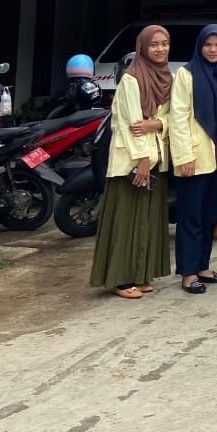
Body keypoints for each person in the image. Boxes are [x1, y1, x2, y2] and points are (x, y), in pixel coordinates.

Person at [89, 25, 172, 299]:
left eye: (164, 43)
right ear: (142, 48)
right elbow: (130, 124)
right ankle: (119, 279)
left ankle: (141, 274)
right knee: (126, 219)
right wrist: (143, 161)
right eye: (154, 45)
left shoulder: (167, 78)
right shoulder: (131, 79)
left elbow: (171, 116)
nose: (160, 49)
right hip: (132, 163)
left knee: (147, 219)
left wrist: (157, 123)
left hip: (157, 158)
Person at [168, 23, 217, 295]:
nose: (213, 50)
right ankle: (188, 272)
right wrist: (184, 156)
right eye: (208, 45)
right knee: (191, 216)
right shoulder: (186, 74)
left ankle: (203, 267)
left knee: (211, 215)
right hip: (194, 157)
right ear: (200, 46)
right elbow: (178, 118)